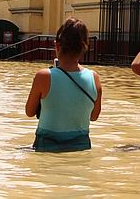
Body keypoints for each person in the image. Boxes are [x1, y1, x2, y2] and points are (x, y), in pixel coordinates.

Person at [26, 17, 102, 152]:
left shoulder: (44, 76)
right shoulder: (94, 78)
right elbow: (93, 117)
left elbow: (30, 112)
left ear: (57, 45)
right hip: (80, 146)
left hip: (46, 146)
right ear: (84, 47)